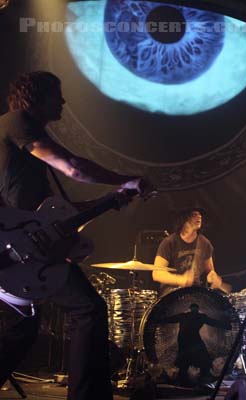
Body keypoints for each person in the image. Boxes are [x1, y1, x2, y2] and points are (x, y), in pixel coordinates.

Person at [0, 71, 151, 399]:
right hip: (15, 247)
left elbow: (57, 215)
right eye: (58, 95)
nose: (64, 101)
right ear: (36, 96)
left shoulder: (19, 133)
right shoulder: (18, 122)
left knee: (22, 329)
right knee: (88, 310)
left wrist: (109, 201)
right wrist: (124, 180)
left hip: (21, 245)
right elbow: (74, 167)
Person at [152, 208, 230, 296]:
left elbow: (210, 271)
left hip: (195, 291)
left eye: (200, 214)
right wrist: (180, 280)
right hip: (171, 291)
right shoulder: (169, 242)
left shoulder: (204, 243)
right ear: (184, 219)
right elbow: (157, 274)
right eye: (194, 214)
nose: (199, 216)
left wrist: (213, 277)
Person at [155, 303, 231, 386]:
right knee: (194, 357)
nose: (194, 310)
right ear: (192, 309)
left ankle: (193, 377)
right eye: (194, 309)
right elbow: (172, 319)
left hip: (187, 338)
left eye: (195, 309)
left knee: (193, 356)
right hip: (187, 338)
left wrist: (226, 325)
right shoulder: (190, 316)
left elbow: (212, 322)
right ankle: (195, 377)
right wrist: (160, 320)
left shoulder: (193, 316)